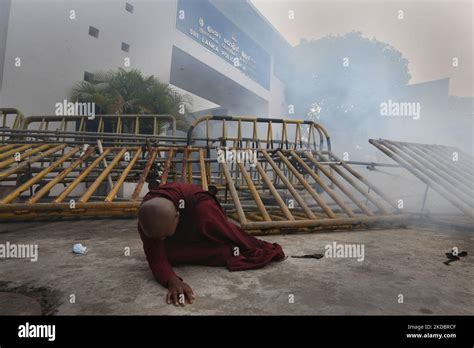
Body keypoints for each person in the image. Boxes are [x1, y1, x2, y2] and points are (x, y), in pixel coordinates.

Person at [137, 182, 285, 306]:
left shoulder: (203, 207)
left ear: (177, 216)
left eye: (165, 236)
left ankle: (227, 250)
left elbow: (229, 231)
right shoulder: (148, 216)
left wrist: (254, 246)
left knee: (223, 237)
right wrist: (172, 280)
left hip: (200, 226)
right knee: (167, 254)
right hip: (182, 235)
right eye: (158, 237)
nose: (161, 240)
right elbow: (154, 254)